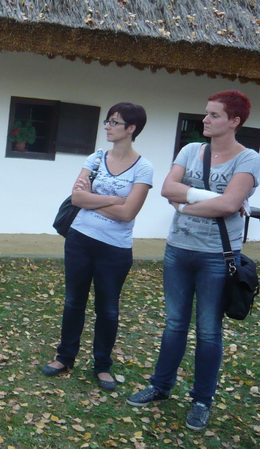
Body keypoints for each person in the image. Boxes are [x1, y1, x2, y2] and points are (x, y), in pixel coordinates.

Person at [127, 91, 260, 431]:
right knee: (174, 324)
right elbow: (167, 189)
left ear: (234, 121)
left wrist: (185, 205)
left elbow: (229, 205)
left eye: (214, 115)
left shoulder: (248, 159)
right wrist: (210, 200)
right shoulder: (190, 151)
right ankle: (160, 386)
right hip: (178, 249)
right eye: (206, 113)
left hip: (218, 255)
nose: (205, 119)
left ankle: (201, 400)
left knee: (209, 331)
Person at [42, 103, 153, 391]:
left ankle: (102, 365)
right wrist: (114, 200)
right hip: (80, 240)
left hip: (115, 249)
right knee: (73, 302)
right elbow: (77, 198)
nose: (107, 126)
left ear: (131, 128)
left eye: (114, 122)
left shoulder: (144, 168)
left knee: (108, 310)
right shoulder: (95, 158)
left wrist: (95, 199)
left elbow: (128, 214)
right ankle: (65, 357)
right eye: (108, 121)